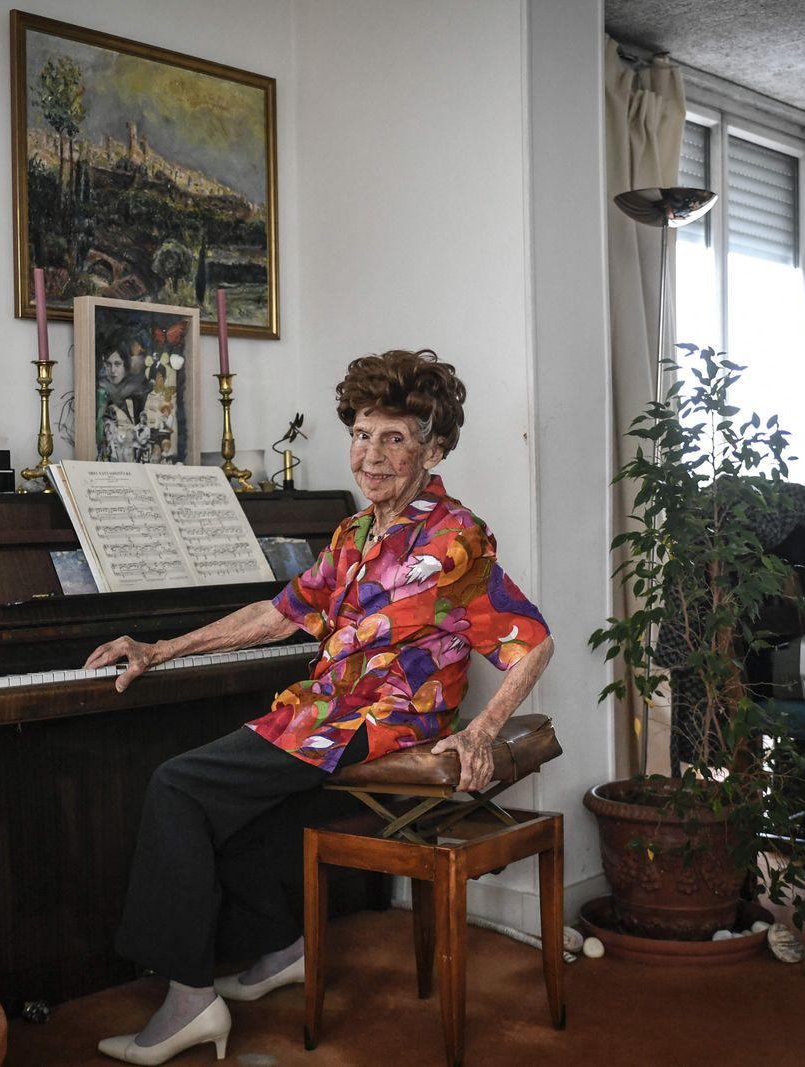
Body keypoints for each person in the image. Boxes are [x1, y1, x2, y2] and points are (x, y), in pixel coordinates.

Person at [86, 349, 554, 1064]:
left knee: (178, 787)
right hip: (326, 712)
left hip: (373, 721)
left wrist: (482, 732)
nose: (372, 456)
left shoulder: (453, 537)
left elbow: (533, 641)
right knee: (240, 809)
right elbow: (276, 616)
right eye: (363, 434)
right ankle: (281, 948)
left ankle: (188, 999)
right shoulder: (355, 534)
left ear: (435, 447)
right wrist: (160, 647)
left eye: (395, 438)